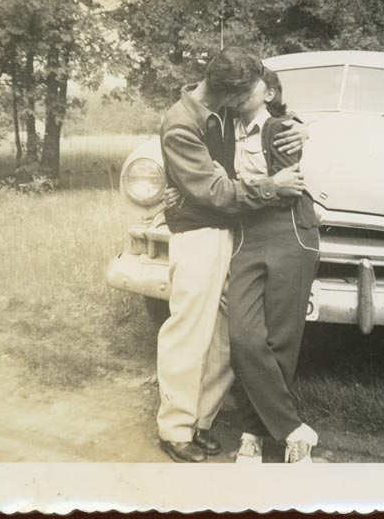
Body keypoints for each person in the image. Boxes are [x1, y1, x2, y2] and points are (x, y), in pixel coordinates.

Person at [157, 47, 307, 463]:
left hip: (232, 232)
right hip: (198, 232)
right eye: (244, 95)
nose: (247, 101)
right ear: (229, 93)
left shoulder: (222, 110)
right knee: (189, 329)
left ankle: (201, 421)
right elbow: (218, 192)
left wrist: (300, 128)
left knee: (224, 335)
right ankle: (174, 427)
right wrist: (272, 187)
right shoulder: (181, 123)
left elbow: (273, 112)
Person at [227, 67, 320, 464]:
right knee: (244, 336)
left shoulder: (283, 127)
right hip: (246, 237)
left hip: (290, 233)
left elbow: (287, 194)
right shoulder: (223, 128)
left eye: (252, 84)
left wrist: (303, 127)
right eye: (237, 84)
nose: (242, 90)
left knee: (280, 338)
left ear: (270, 93)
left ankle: (252, 432)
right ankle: (293, 429)